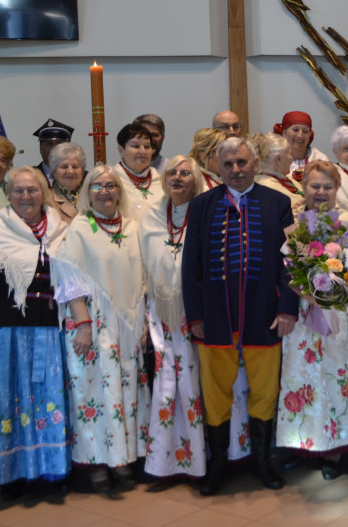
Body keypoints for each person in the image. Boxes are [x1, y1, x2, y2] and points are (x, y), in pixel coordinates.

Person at [182, 137, 298, 494]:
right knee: (215, 393)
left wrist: (287, 308)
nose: (235, 170)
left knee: (264, 392)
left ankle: (262, 461)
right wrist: (195, 315)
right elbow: (191, 266)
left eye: (242, 162)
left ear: (255, 163)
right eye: (228, 163)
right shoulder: (201, 205)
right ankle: (219, 463)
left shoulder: (278, 202)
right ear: (218, 165)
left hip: (264, 316)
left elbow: (292, 261)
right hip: (215, 317)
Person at [0, 166, 71, 500]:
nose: (25, 196)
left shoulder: (63, 229)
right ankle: (8, 474)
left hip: (49, 332)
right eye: (18, 190)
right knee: (4, 403)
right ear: (8, 195)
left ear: (44, 192)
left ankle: (51, 469)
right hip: (2, 333)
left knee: (47, 400)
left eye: (32, 190)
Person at [50, 165, 149, 492]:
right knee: (93, 393)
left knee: (126, 393)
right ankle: (95, 464)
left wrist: (143, 320)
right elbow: (68, 279)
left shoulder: (134, 227)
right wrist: (83, 324)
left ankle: (123, 459)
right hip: (91, 325)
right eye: (97, 186)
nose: (105, 192)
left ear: (119, 192)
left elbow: (143, 279)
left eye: (111, 186)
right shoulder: (79, 227)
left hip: (127, 326)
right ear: (87, 193)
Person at [276, 161, 348, 479]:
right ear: (304, 188)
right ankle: (305, 446)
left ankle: (337, 452)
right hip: (303, 315)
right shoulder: (294, 222)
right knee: (304, 379)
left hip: (340, 315)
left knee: (337, 380)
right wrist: (305, 288)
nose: (321, 192)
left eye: (328, 186)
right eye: (315, 186)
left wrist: (336, 285)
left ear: (337, 190)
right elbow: (284, 267)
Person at [138, 156, 207, 481]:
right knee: (166, 385)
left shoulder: (206, 211)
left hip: (198, 315)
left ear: (196, 180)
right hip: (161, 315)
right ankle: (164, 461)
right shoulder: (150, 215)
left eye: (185, 173)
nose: (177, 178)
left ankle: (201, 459)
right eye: (172, 173)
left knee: (197, 385)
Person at [113, 122, 162, 221]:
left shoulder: (162, 182)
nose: (143, 151)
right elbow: (91, 216)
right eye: (136, 146)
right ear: (121, 150)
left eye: (147, 147)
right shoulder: (110, 181)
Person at [253, 132, 304, 208]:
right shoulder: (267, 189)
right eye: (289, 153)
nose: (292, 158)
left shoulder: (282, 178)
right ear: (278, 159)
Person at [274, 111, 328, 181]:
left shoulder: (321, 159)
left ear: (310, 135)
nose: (300, 135)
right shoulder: (275, 159)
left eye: (305, 131)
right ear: (284, 133)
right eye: (295, 130)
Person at [48, 142, 87, 223]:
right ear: (54, 172)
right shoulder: (47, 199)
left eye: (75, 167)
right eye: (64, 167)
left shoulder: (92, 195)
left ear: (82, 171)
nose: (70, 171)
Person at [33, 119, 74, 187]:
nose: (54, 149)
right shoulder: (29, 176)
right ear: (40, 147)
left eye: (59, 144)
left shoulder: (81, 177)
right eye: (49, 144)